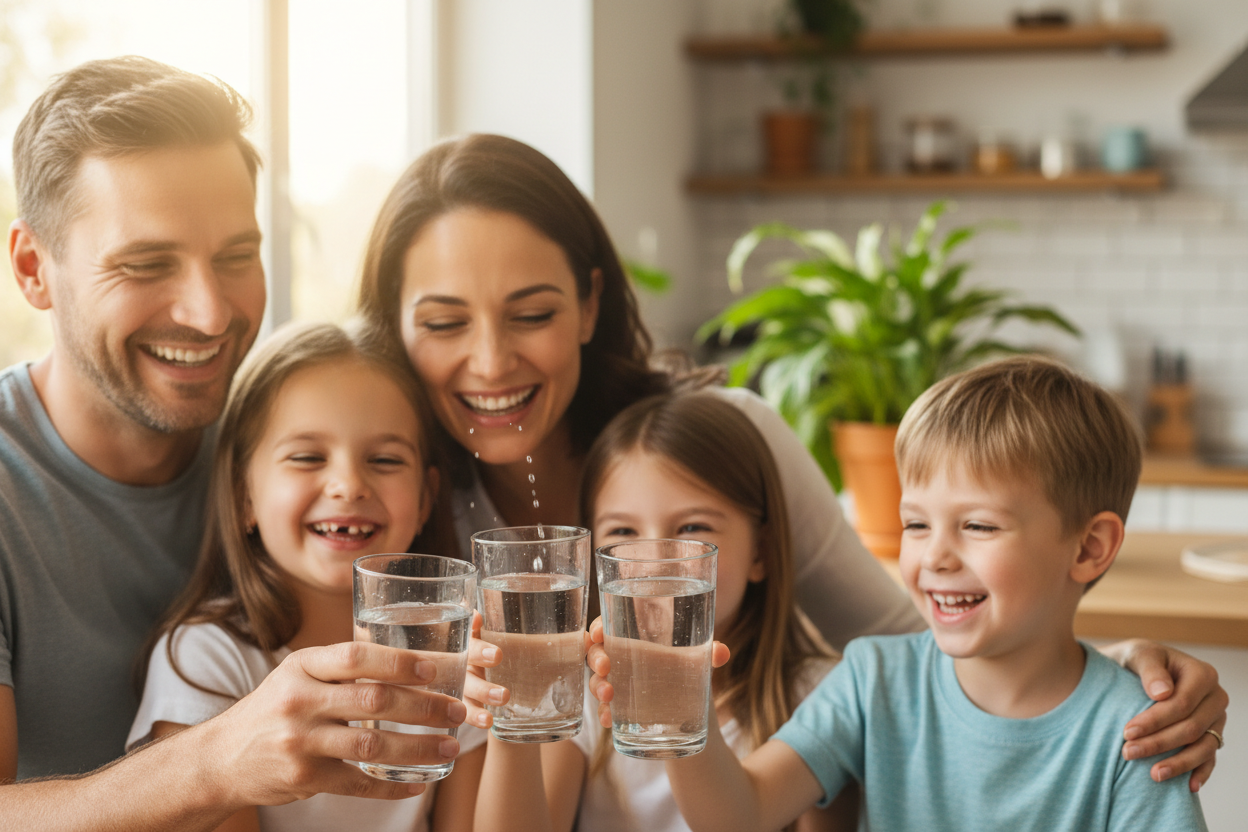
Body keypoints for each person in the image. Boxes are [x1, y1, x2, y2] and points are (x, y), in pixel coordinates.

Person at [354, 132, 1227, 785]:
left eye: (532, 313)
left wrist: (1110, 669)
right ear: (394, 329)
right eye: (441, 323)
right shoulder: (394, 485)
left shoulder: (723, 437)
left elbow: (913, 645)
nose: (491, 360)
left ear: (588, 303)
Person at [1, 57, 471, 829]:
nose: (210, 313)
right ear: (33, 269)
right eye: (146, 264)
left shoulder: (287, 448)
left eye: (236, 257)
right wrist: (215, 761)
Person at [591, 356, 1209, 831]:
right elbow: (740, 813)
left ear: (1088, 548)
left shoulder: (1139, 731)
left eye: (978, 525)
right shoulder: (873, 681)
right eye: (916, 523)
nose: (934, 556)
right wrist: (678, 710)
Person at [128, 321, 485, 832]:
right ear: (243, 496)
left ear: (427, 498)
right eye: (307, 457)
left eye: (384, 459)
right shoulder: (207, 661)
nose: (348, 484)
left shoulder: (455, 656)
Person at [473, 390, 854, 832]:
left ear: (761, 552)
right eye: (622, 533)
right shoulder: (587, 694)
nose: (652, 566)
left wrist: (680, 701)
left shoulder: (823, 695)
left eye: (692, 528)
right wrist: (513, 713)